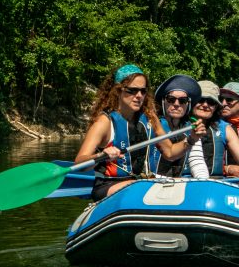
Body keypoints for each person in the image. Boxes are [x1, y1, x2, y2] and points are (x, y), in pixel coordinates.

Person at [73, 64, 204, 200]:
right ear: (118, 91)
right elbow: (79, 163)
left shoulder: (150, 118)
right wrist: (101, 155)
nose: (139, 96)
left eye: (143, 91)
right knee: (140, 188)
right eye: (132, 91)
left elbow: (170, 153)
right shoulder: (104, 122)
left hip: (140, 182)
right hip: (109, 185)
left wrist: (191, 139)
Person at [150, 74, 205, 177]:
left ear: (188, 104)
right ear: (163, 101)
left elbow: (197, 161)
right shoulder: (151, 124)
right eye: (171, 99)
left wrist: (205, 182)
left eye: (182, 101)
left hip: (177, 184)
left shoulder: (192, 128)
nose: (176, 104)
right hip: (152, 182)